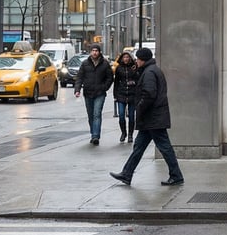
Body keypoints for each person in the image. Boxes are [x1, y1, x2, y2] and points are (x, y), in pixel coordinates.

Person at [109, 47, 184, 186]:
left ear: (143, 59)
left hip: (153, 117)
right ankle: (127, 173)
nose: (136, 61)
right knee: (139, 146)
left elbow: (149, 94)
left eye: (138, 58)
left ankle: (176, 175)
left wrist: (139, 108)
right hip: (151, 118)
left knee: (164, 147)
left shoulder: (149, 72)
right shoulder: (150, 70)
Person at [74, 44, 114, 145]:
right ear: (90, 52)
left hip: (100, 93)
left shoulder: (105, 64)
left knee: (97, 114)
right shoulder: (85, 64)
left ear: (99, 52)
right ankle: (93, 133)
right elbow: (80, 77)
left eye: (96, 51)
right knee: (90, 115)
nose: (95, 52)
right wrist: (77, 89)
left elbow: (110, 77)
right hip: (88, 93)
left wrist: (104, 87)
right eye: (93, 51)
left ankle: (96, 136)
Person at [113, 51, 140, 143]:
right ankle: (123, 133)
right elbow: (116, 82)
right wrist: (115, 95)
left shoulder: (134, 67)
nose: (126, 59)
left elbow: (138, 79)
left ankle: (130, 134)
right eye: (124, 57)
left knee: (131, 116)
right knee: (121, 115)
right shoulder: (119, 68)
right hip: (121, 94)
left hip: (132, 94)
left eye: (127, 57)